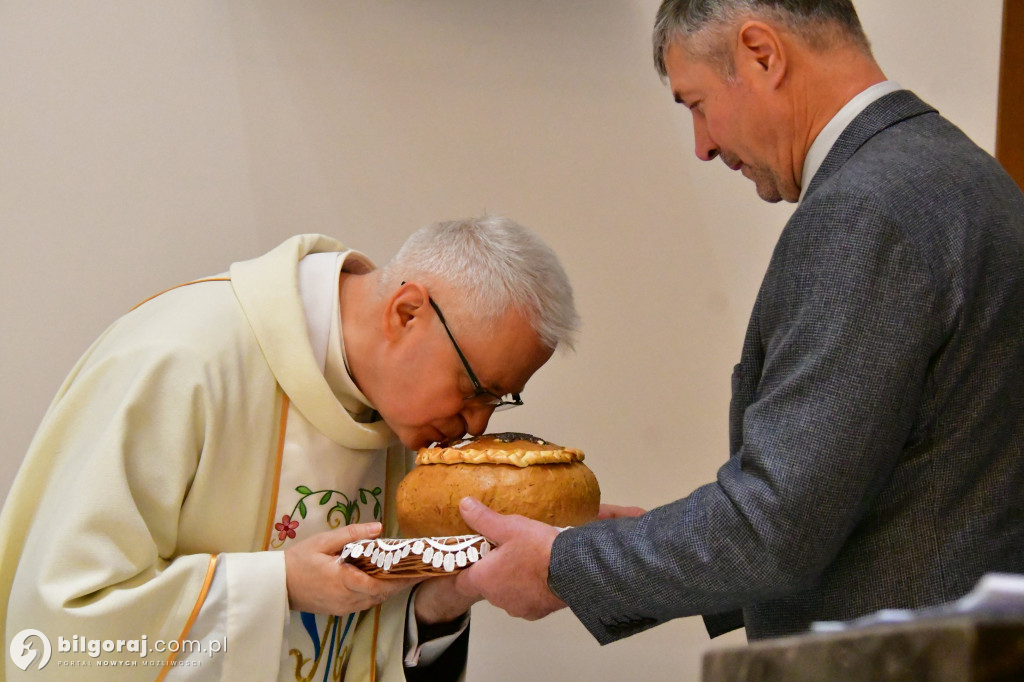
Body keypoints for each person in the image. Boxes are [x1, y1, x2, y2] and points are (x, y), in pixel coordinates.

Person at [455, 0, 1024, 644]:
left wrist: (562, 565)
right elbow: (880, 493)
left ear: (762, 53)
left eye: (695, 103)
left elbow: (776, 526)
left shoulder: (863, 212)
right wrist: (644, 545)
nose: (703, 146)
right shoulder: (973, 180)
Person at [0, 215, 579, 680]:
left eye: (501, 400)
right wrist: (278, 585)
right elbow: (59, 625)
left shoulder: (403, 422)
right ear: (406, 313)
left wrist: (447, 597)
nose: (475, 427)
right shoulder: (180, 361)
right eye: (475, 389)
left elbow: (354, 646)